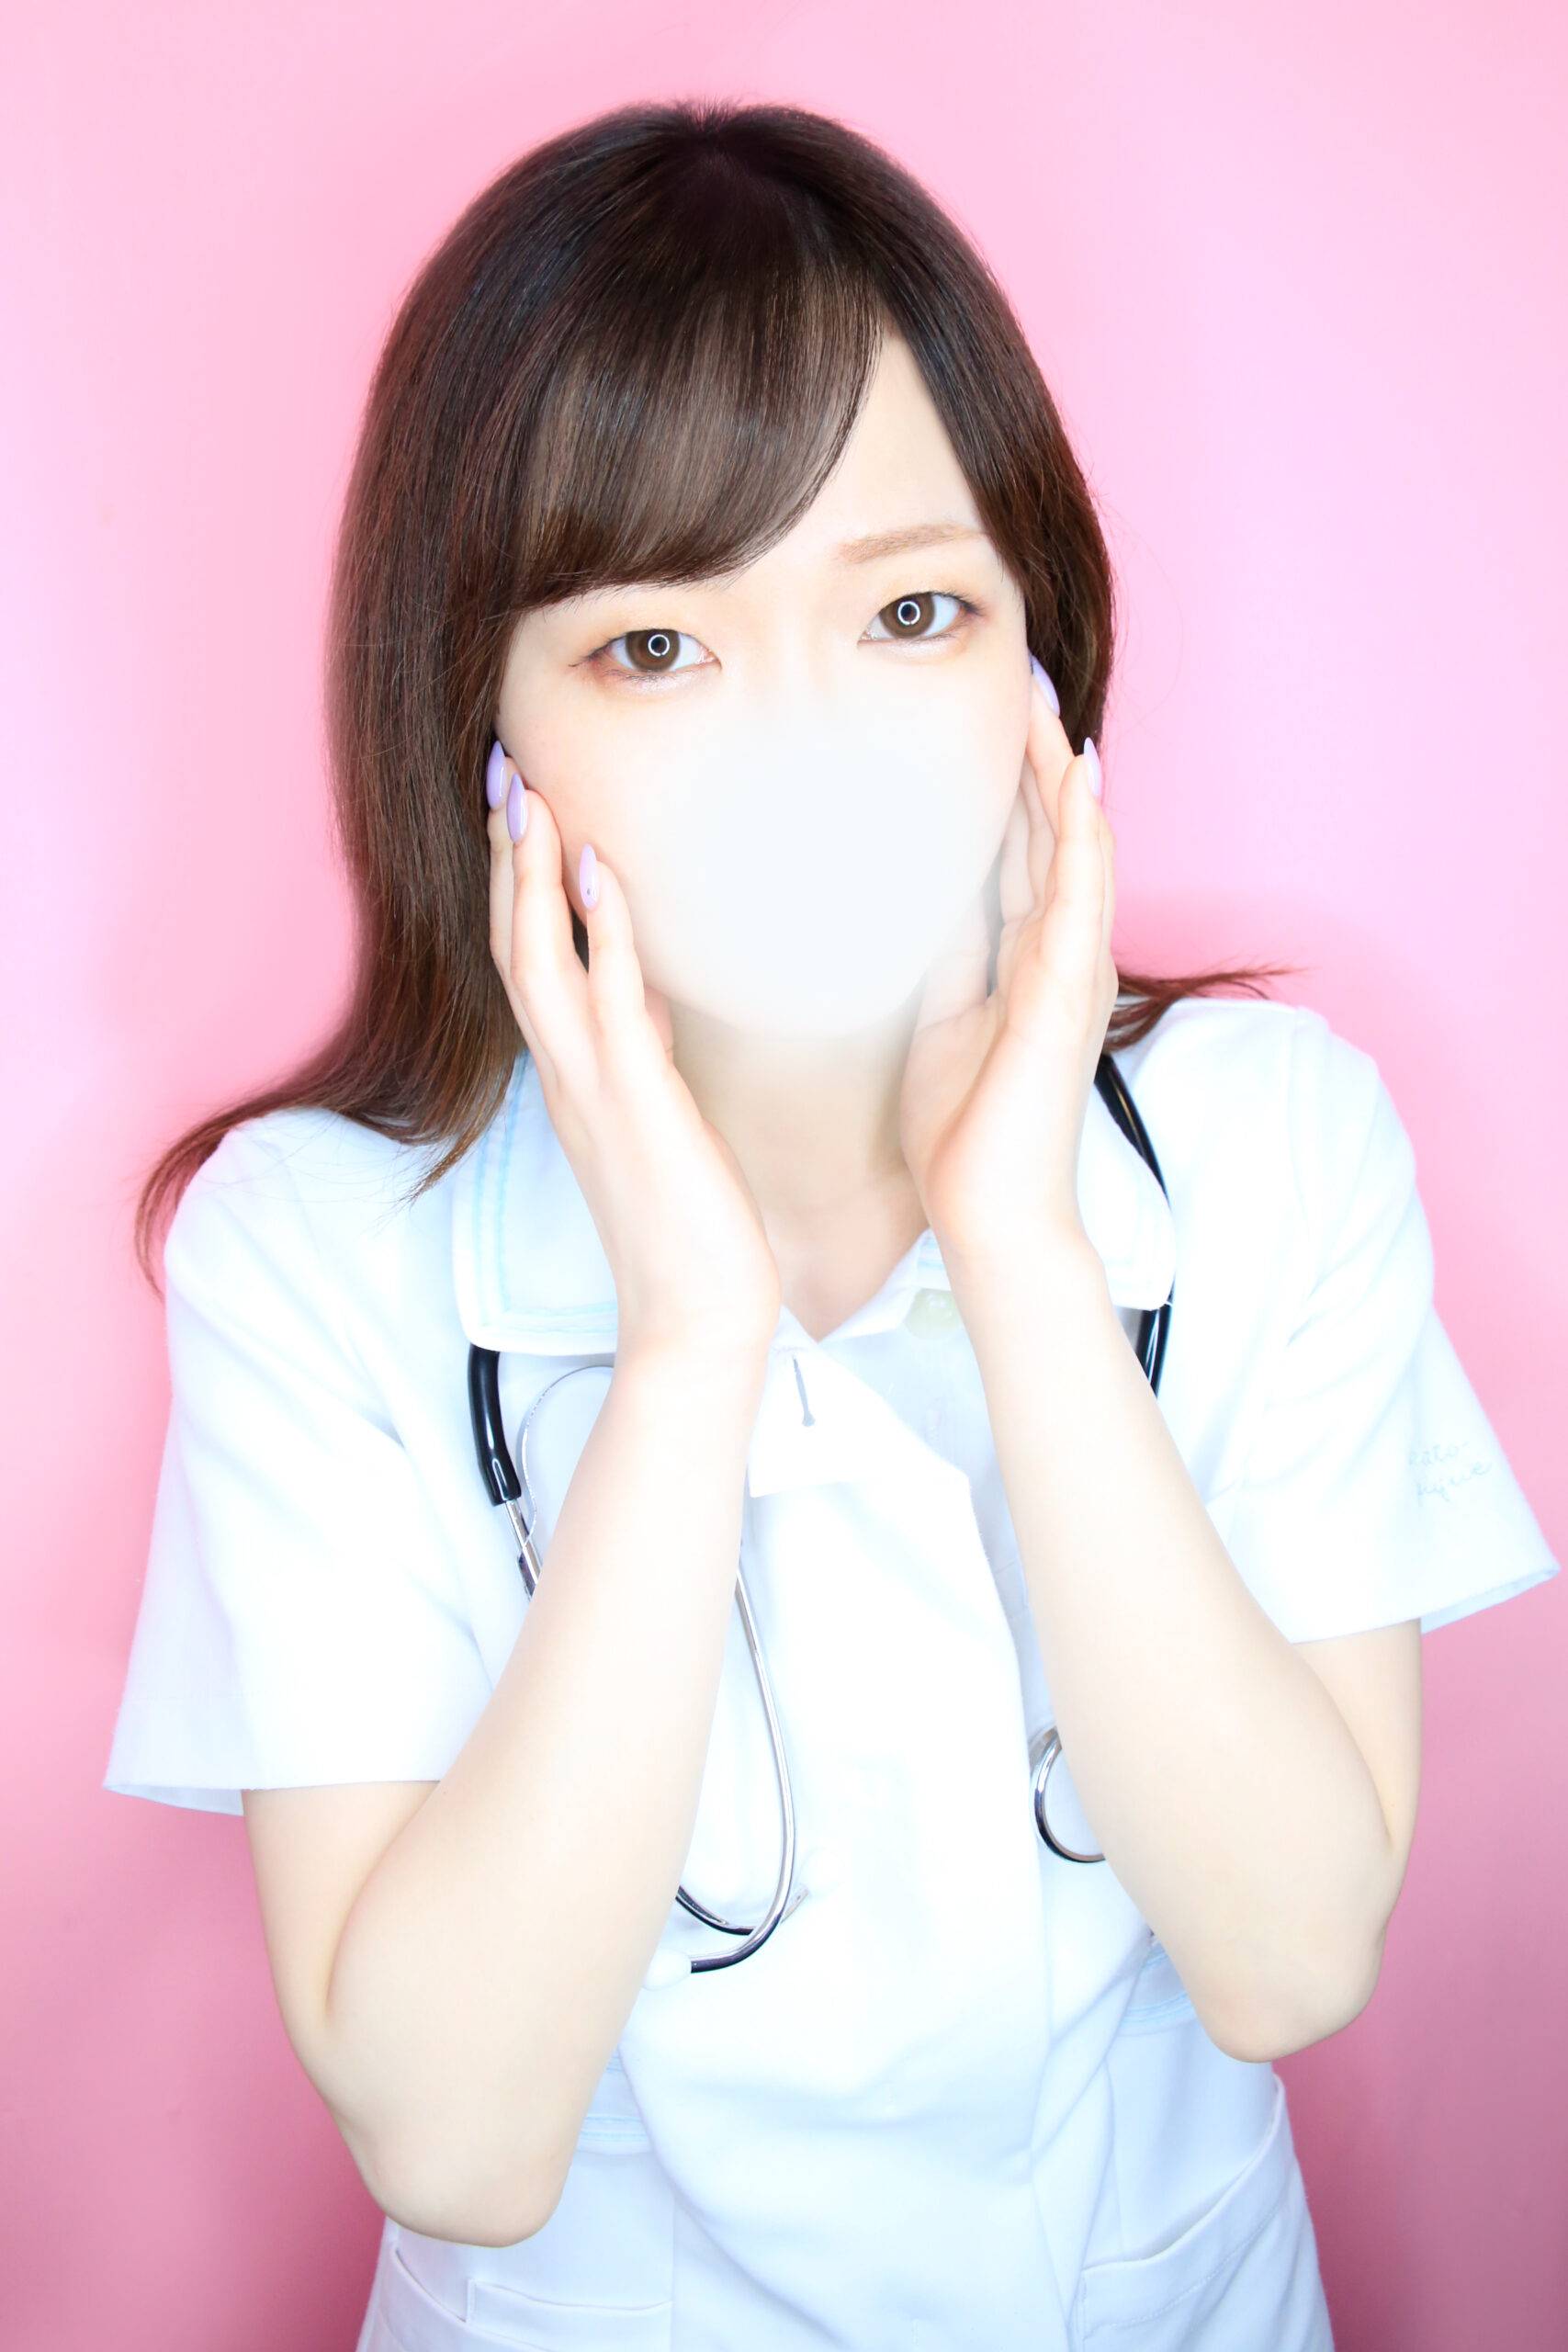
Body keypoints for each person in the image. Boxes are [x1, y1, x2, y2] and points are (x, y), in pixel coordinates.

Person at [104, 100, 1558, 2352]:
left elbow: (1288, 1957)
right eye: (651, 647)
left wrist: (1023, 1248)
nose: (805, 740)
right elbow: (456, 2142)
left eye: (907, 610)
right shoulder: (310, 1244)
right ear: (476, 730)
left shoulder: (1268, 1136)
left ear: (1040, 672)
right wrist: (688, 1347)